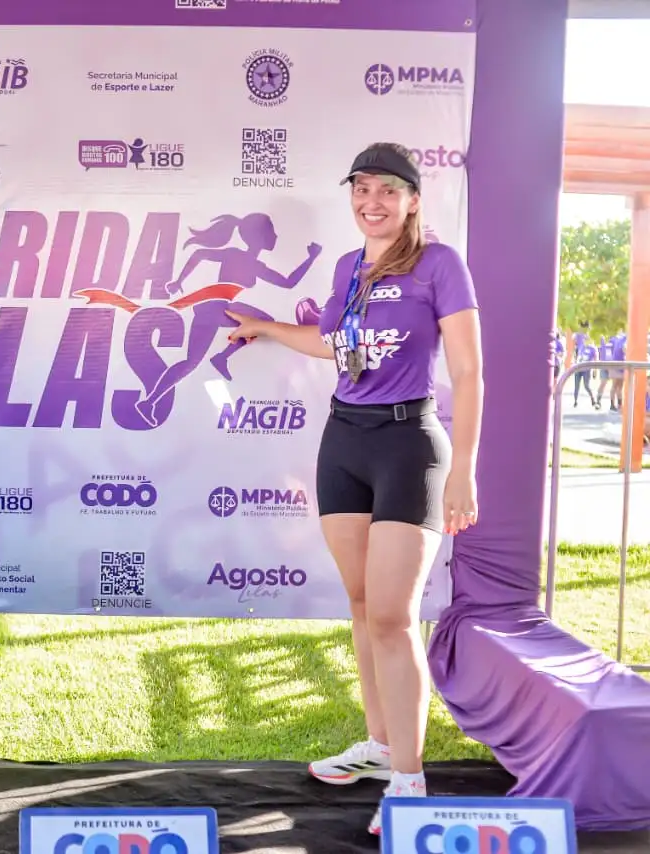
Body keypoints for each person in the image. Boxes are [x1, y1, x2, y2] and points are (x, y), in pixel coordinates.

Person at [226, 142, 483, 835]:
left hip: (409, 445)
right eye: (362, 189)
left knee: (394, 619)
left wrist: (463, 467)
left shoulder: (439, 264)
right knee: (364, 605)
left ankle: (410, 782)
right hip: (344, 441)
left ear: (412, 199)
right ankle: (379, 745)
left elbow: (468, 372)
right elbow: (335, 346)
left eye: (387, 190)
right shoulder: (348, 268)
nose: (373, 202)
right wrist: (267, 328)